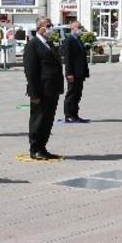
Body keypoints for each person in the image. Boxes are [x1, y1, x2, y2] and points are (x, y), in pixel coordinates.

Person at [22, 17, 62, 159]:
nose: (51, 28)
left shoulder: (49, 43)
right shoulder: (33, 45)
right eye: (48, 25)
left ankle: (43, 147)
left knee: (48, 120)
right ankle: (35, 148)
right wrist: (34, 93)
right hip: (41, 90)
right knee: (38, 119)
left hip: (52, 88)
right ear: (40, 27)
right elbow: (30, 71)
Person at [61, 19, 90, 123]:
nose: (80, 29)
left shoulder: (78, 40)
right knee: (71, 94)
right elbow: (68, 59)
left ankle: (75, 114)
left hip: (80, 72)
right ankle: (68, 114)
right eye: (78, 27)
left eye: (81, 27)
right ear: (72, 28)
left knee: (78, 94)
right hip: (73, 73)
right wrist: (69, 73)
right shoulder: (69, 41)